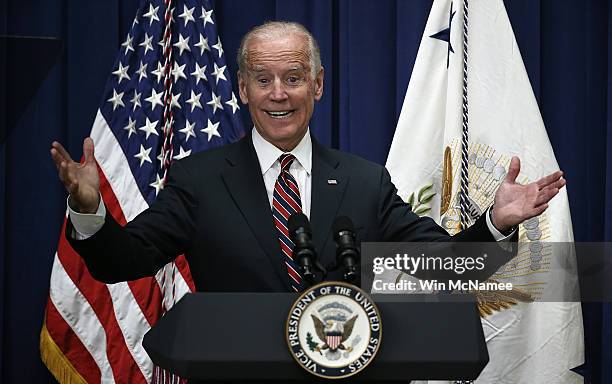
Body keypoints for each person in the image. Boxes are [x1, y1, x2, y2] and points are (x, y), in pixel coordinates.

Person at [50, 21, 564, 291]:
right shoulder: (199, 180)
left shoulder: (365, 183)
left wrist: (494, 224)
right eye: (263, 80)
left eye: (293, 78)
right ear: (242, 89)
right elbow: (121, 262)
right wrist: (89, 210)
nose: (279, 94)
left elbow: (440, 267)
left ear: (317, 86)